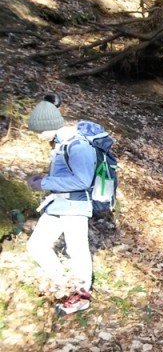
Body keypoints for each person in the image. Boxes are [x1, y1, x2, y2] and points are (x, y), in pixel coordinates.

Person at [26, 94, 96, 316]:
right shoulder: (59, 144)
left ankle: (81, 296)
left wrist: (45, 182)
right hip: (57, 204)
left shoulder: (78, 146)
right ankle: (64, 284)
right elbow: (66, 175)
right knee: (36, 245)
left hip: (75, 207)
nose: (39, 136)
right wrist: (45, 179)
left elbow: (84, 180)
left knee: (77, 250)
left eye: (40, 131)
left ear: (50, 126)